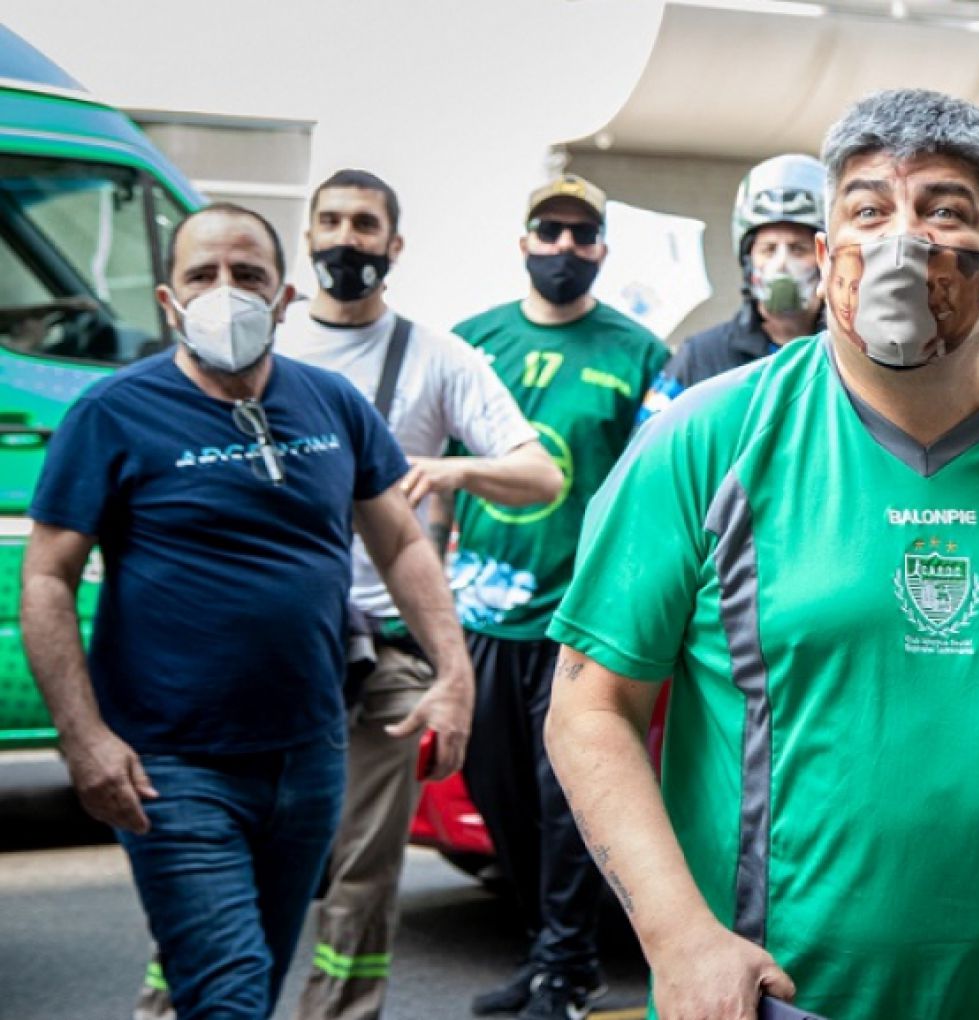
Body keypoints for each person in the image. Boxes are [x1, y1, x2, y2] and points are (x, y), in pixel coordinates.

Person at [543, 87, 979, 1019]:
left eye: (945, 211)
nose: (901, 241)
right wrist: (681, 939)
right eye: (868, 211)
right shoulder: (710, 438)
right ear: (828, 259)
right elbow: (589, 708)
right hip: (776, 999)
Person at [20, 203, 473, 1020]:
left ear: (283, 296)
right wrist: (83, 736)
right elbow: (49, 577)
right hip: (173, 766)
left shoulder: (331, 404)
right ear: (168, 300)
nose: (224, 293)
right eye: (202, 276)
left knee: (249, 986)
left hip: (308, 753)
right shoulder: (114, 413)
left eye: (248, 276)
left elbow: (402, 543)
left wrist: (455, 671)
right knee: (226, 994)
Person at [281, 169, 563, 1020]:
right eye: (330, 221)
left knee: (365, 865)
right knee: (268, 850)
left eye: (364, 225)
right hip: (278, 644)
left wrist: (451, 467)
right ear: (307, 237)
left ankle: (338, 1014)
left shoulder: (437, 357)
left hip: (385, 652)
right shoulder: (269, 352)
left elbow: (541, 473)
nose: (346, 239)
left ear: (393, 246)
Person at [450, 175, 670, 1020]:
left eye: (584, 234)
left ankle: (565, 969)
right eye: (552, 230)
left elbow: (653, 487)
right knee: (497, 789)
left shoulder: (639, 352)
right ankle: (543, 950)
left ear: (603, 250)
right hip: (483, 611)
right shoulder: (473, 343)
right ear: (525, 241)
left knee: (566, 798)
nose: (566, 248)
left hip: (580, 618)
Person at [638, 154, 826, 419]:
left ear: (824, 258)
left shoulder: (850, 358)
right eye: (768, 249)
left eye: (798, 249)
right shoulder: (700, 357)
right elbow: (649, 442)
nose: (781, 264)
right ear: (749, 262)